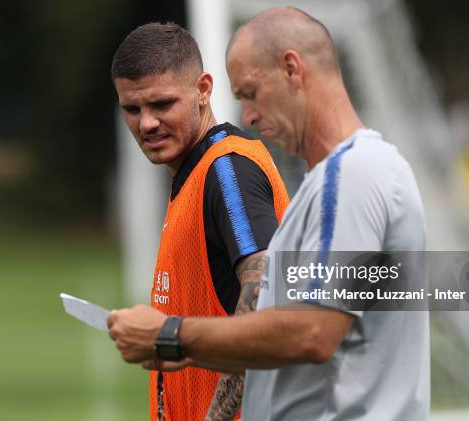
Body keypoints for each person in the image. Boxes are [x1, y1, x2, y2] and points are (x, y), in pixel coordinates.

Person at [108, 8, 430, 421]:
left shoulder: (351, 174)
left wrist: (171, 335)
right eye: (132, 109)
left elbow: (311, 331)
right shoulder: (333, 181)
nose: (248, 117)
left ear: (292, 70)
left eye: (250, 94)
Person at [110, 22, 290, 421]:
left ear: (203, 90)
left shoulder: (227, 171)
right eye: (132, 109)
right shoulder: (195, 173)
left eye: (161, 104)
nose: (147, 124)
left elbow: (267, 293)